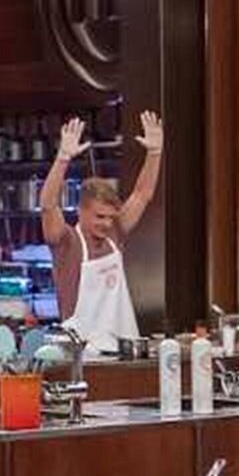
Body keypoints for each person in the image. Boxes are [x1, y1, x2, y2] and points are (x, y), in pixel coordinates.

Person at [40, 110, 163, 356]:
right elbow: (48, 204)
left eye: (110, 217)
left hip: (124, 350)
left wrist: (154, 153)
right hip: (83, 356)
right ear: (81, 211)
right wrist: (63, 158)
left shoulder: (115, 234)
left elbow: (142, 194)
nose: (106, 223)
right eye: (99, 217)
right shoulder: (67, 242)